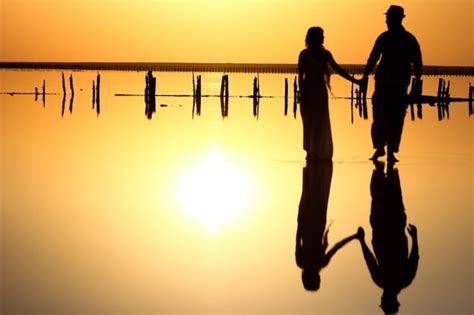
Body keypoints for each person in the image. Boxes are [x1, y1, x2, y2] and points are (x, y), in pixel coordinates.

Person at [361, 5, 423, 163]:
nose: (386, 21)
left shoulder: (409, 39)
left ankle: (390, 151)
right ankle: (380, 147)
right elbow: (373, 58)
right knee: (379, 118)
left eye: (389, 18)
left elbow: (417, 63)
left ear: (398, 19)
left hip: (399, 85)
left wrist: (417, 84)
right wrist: (365, 76)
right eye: (387, 18)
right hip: (382, 84)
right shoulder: (384, 37)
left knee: (396, 119)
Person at [356, 161, 419, 314]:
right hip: (389, 228)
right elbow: (413, 258)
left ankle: (386, 169)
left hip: (387, 227)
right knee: (384, 197)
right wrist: (362, 241)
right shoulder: (394, 280)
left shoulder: (401, 280)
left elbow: (414, 258)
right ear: (391, 300)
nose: (382, 298)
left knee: (386, 196)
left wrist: (362, 241)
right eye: (384, 300)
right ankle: (384, 169)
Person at [298, 26, 362, 161]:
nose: (323, 38)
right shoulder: (303, 54)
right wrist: (302, 95)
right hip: (308, 94)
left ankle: (317, 152)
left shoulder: (325, 54)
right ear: (313, 37)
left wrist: (356, 81)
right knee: (309, 123)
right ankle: (310, 153)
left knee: (320, 123)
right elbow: (300, 77)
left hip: (320, 93)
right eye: (321, 35)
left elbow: (338, 70)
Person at [295, 160, 359, 291]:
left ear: (312, 279)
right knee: (309, 190)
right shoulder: (302, 262)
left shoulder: (313, 262)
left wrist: (354, 236)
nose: (320, 278)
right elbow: (297, 236)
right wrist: (300, 221)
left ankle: (314, 163)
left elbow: (336, 247)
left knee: (316, 191)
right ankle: (313, 162)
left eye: (317, 280)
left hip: (316, 222)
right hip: (309, 222)